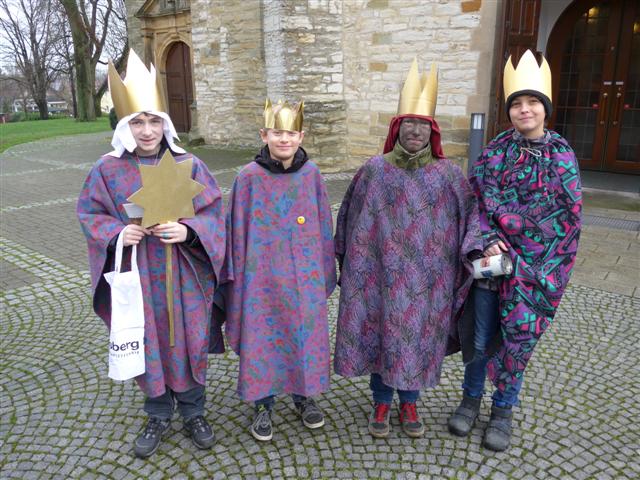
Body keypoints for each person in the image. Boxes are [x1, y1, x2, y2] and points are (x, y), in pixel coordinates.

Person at [77, 50, 225, 458]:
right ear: (125, 124)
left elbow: (214, 215)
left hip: (183, 274)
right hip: (138, 275)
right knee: (148, 338)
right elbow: (89, 213)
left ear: (165, 123)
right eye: (138, 122)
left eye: (154, 121)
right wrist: (117, 232)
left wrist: (189, 231)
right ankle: (158, 412)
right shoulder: (107, 170)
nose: (147, 131)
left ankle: (194, 411)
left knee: (187, 336)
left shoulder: (189, 164)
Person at [333, 59, 482, 438]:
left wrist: (476, 253)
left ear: (433, 131)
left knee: (416, 337)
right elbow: (349, 218)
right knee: (383, 333)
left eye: (423, 124)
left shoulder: (449, 175)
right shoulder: (374, 171)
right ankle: (382, 401)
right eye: (408, 123)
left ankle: (410, 401)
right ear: (396, 128)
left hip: (428, 281)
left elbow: (471, 220)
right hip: (379, 274)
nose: (415, 131)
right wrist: (349, 262)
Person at [447, 49, 582, 451]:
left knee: (516, 342)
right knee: (479, 337)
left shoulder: (561, 156)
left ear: (545, 108)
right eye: (517, 103)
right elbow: (474, 199)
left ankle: (503, 410)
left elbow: (568, 219)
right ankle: (470, 401)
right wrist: (488, 237)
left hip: (535, 272)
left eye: (532, 102)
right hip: (492, 265)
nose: (524, 109)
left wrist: (529, 256)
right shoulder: (495, 151)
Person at [220, 99, 337, 441]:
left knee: (302, 335)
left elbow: (323, 223)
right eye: (276, 132)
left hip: (304, 278)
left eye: (290, 133)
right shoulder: (248, 177)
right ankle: (263, 403)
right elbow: (234, 230)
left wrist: (323, 270)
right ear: (264, 135)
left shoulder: (311, 175)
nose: (283, 139)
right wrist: (237, 278)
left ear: (301, 136)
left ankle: (304, 396)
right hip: (260, 279)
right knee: (263, 339)